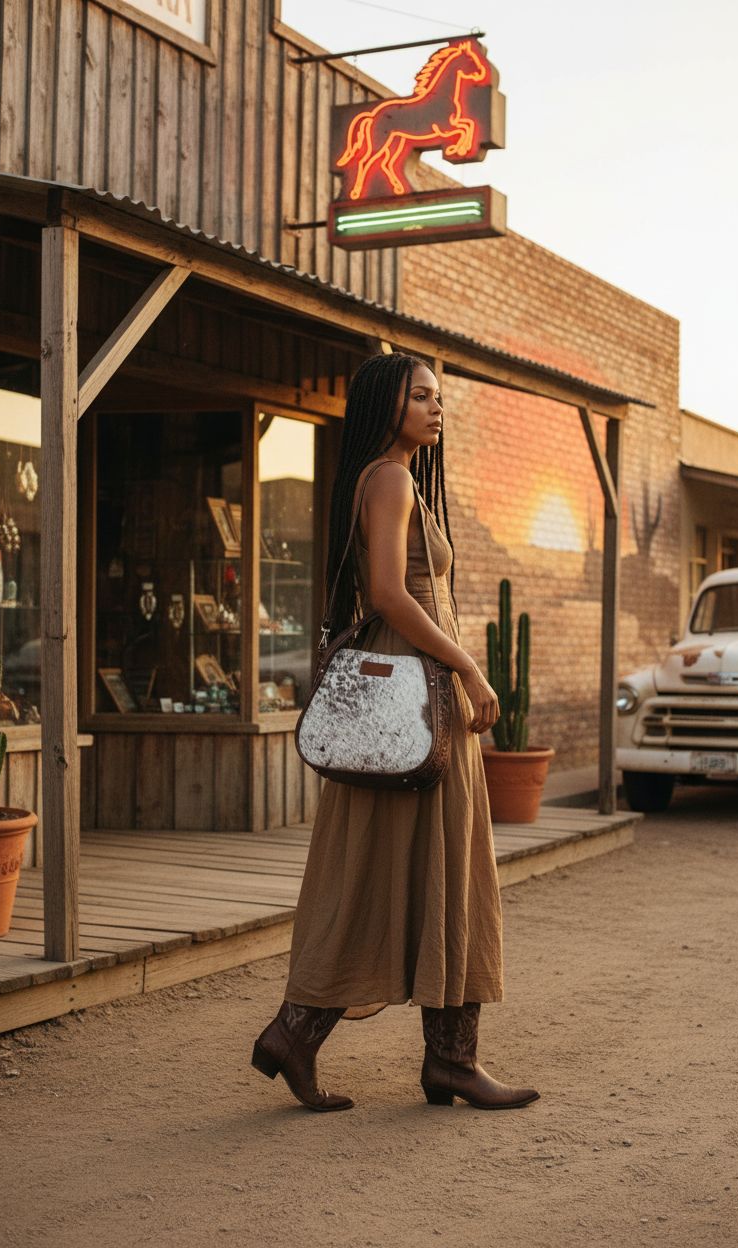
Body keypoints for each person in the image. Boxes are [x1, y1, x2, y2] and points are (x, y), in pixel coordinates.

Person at [251, 351, 539, 1112]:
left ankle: (313, 1037)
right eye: (422, 396)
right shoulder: (388, 477)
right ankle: (420, 1055)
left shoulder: (399, 478)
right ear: (389, 404)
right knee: (429, 866)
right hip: (412, 698)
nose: (437, 409)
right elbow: (386, 591)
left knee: (416, 867)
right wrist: (469, 668)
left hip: (416, 697)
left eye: (441, 399)